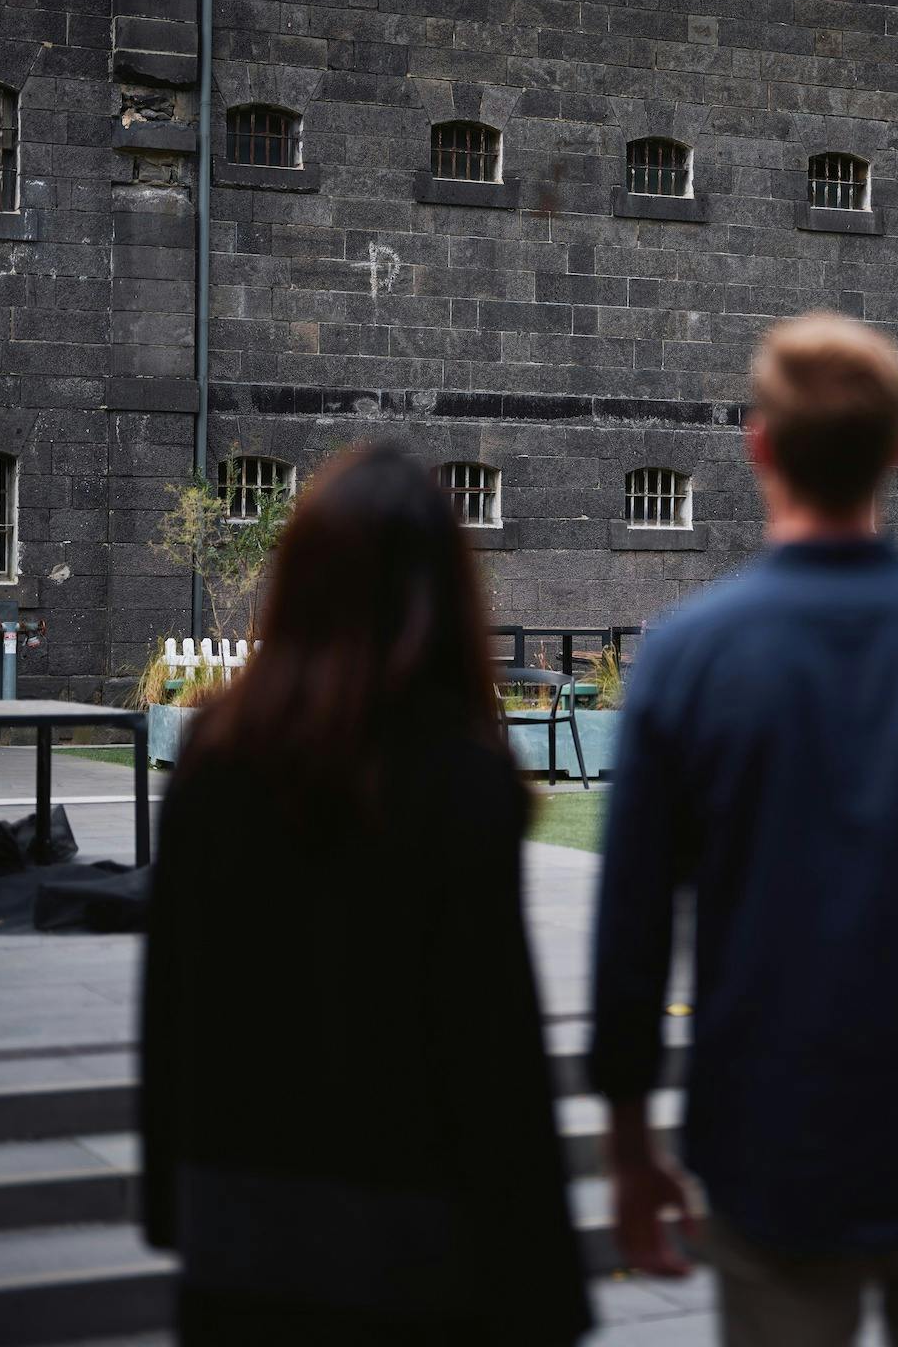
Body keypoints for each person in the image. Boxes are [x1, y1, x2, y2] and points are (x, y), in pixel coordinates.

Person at [590, 313, 898, 1347]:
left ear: (756, 443)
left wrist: (632, 1148)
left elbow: (630, 932)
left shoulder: (687, 657)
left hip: (769, 1135)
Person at [140, 445, 592, 1347]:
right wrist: (544, 1282)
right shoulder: (460, 779)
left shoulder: (215, 762)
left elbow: (175, 1005)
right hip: (414, 1239)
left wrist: (172, 1201)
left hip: (245, 1232)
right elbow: (491, 1044)